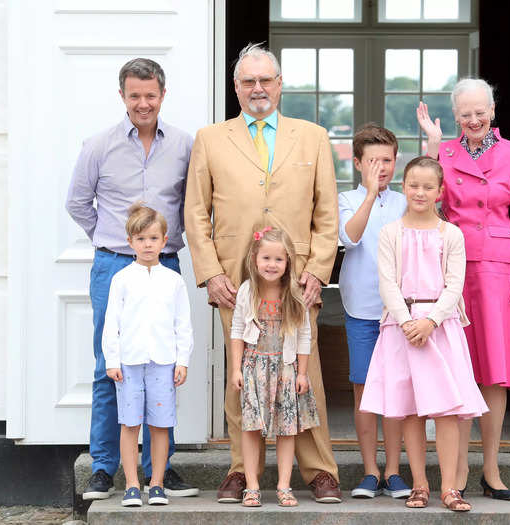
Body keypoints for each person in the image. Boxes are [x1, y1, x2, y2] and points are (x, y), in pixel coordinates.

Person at [184, 42, 340, 503]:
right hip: (235, 279)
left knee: (302, 371)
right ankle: (240, 469)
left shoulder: (311, 136)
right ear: (236, 87)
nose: (257, 88)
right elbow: (196, 211)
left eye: (265, 80)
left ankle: (320, 470)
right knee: (242, 373)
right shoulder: (211, 138)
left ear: (279, 85)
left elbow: (326, 213)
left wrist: (318, 269)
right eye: (248, 81)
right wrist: (210, 272)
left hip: (297, 280)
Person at [66, 58, 198, 500]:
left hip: (166, 266)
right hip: (113, 265)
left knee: (162, 365)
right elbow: (78, 203)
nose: (143, 103)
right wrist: (108, 241)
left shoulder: (183, 145)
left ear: (163, 95)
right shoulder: (99, 145)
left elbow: (192, 205)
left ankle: (158, 470)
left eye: (151, 95)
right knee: (112, 368)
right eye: (135, 95)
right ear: (122, 96)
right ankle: (104, 469)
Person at [416, 78, 510, 500]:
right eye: (464, 113)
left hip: (499, 272)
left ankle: (491, 466)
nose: (473, 120)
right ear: (454, 116)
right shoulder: (444, 153)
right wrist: (432, 146)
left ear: (492, 110)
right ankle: (458, 468)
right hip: (451, 268)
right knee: (457, 369)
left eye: (479, 111)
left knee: (494, 374)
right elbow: (425, 203)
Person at [360, 156, 488, 512]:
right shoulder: (390, 233)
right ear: (404, 186)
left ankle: (449, 488)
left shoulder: (452, 234)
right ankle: (419, 485)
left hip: (440, 327)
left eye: (427, 186)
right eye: (413, 185)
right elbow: (386, 283)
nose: (419, 192)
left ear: (439, 191)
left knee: (445, 409)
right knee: (411, 410)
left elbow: (455, 284)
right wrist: (405, 322)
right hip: (401, 328)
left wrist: (430, 321)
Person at [102, 204, 193, 507]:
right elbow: (111, 323)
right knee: (130, 424)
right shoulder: (123, 279)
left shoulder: (173, 281)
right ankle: (131, 484)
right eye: (141, 239)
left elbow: (183, 324)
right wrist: (112, 360)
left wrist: (182, 360)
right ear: (130, 242)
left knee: (160, 424)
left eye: (153, 238)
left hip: (163, 363)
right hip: (129, 363)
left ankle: (156, 483)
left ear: (164, 240)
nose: (147, 245)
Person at [338, 124, 409, 499]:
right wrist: (368, 194)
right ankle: (370, 471)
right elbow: (349, 237)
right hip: (361, 307)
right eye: (372, 161)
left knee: (396, 387)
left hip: (398, 311)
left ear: (396, 163)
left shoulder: (403, 202)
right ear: (357, 163)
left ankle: (395, 471)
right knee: (364, 388)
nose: (380, 167)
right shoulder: (347, 199)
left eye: (387, 160)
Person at [229, 228, 320, 507]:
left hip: (285, 369)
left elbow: (304, 335)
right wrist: (236, 369)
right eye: (266, 258)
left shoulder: (293, 292)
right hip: (254, 366)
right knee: (251, 427)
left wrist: (302, 373)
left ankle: (283, 485)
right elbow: (236, 331)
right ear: (254, 259)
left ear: (288, 262)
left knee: (286, 428)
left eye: (278, 259)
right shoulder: (247, 290)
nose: (271, 265)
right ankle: (252, 485)